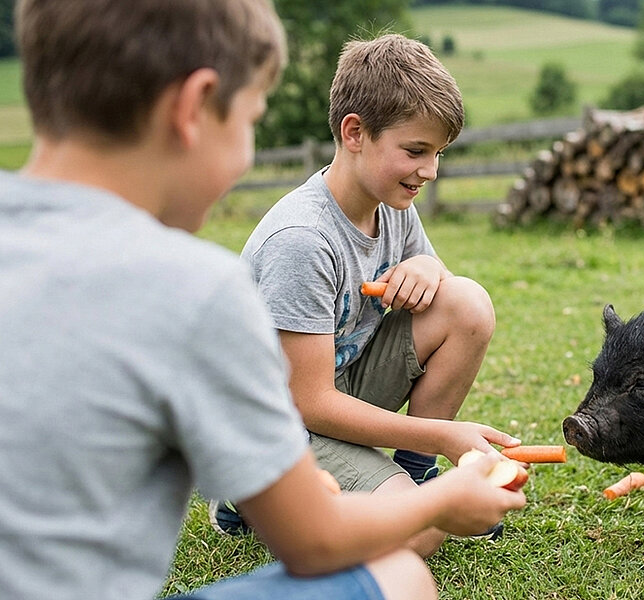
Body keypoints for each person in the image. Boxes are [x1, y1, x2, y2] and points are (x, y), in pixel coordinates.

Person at [0, 2, 526, 600]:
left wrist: (428, 267)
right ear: (194, 107)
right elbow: (316, 539)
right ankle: (271, 497)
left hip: (320, 403)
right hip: (305, 414)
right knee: (404, 570)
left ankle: (336, 483)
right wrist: (447, 497)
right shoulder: (200, 285)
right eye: (251, 118)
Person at [225, 33, 520, 556]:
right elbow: (308, 402)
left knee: (468, 302)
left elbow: (446, 303)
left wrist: (428, 266)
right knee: (416, 538)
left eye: (439, 154)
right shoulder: (302, 241)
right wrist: (444, 435)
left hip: (339, 388)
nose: (430, 170)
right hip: (280, 422)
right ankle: (250, 494)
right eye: (416, 151)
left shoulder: (393, 206)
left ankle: (413, 475)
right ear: (355, 132)